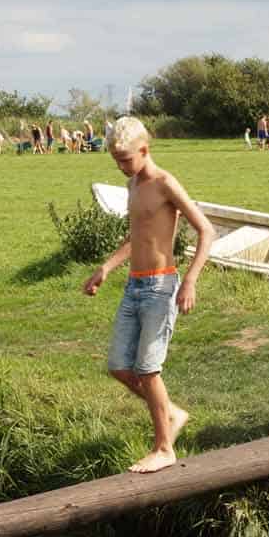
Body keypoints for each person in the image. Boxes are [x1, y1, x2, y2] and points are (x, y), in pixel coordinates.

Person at [82, 116, 216, 473]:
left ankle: (164, 448)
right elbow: (136, 237)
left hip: (160, 287)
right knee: (120, 367)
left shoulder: (164, 183)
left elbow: (206, 231)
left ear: (145, 149)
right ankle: (171, 413)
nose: (121, 165)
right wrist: (106, 268)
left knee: (148, 369)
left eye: (125, 159)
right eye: (115, 159)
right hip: (134, 285)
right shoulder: (133, 186)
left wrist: (190, 281)